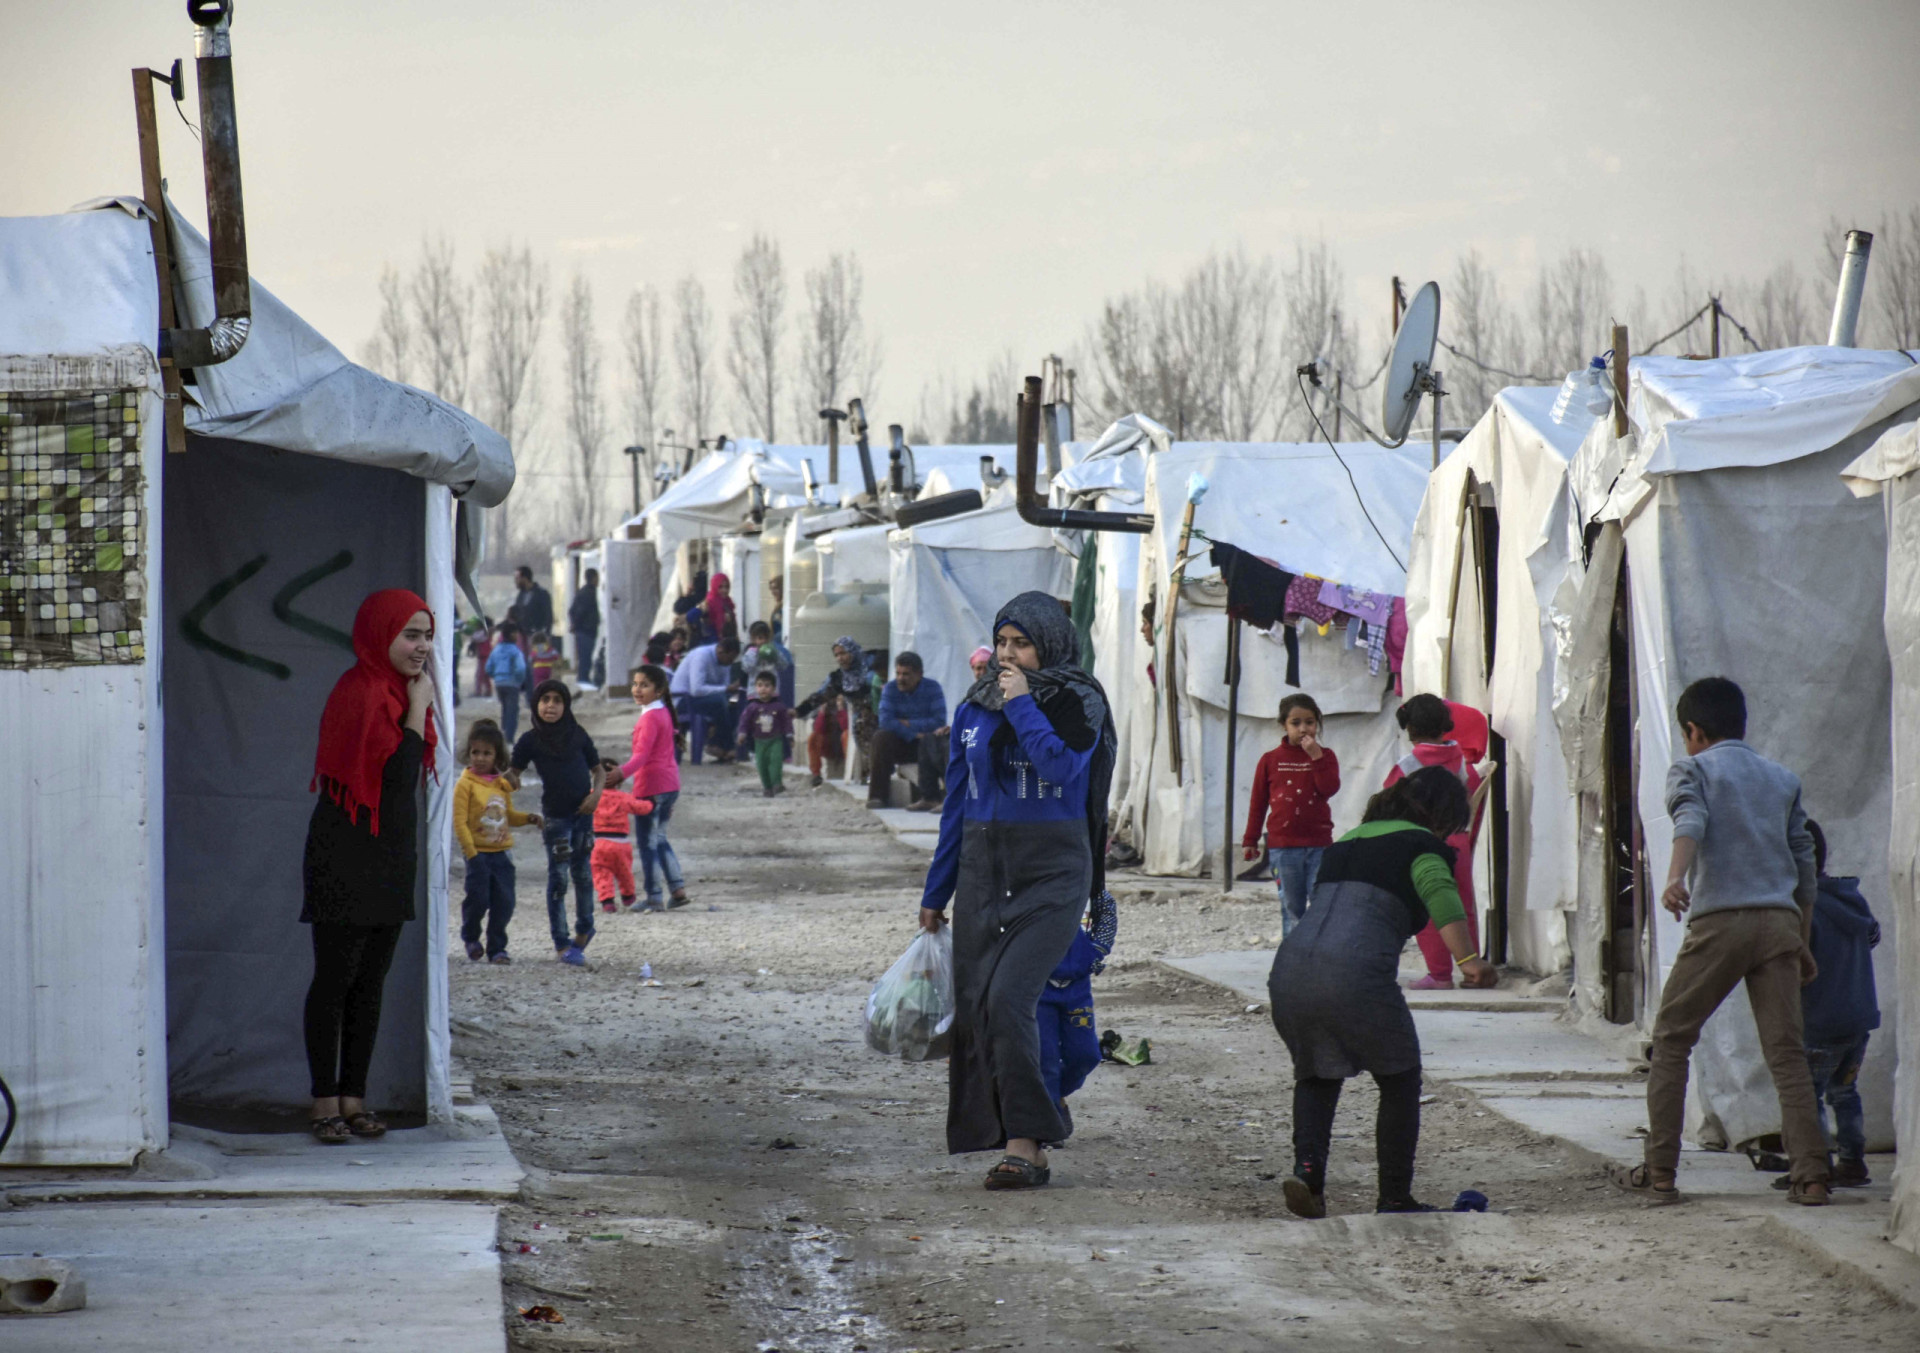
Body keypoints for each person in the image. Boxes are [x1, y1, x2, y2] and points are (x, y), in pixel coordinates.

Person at [919, 592, 1118, 1190]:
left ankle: (1026, 1143)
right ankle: (1034, 1121)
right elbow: (957, 803)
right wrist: (938, 889)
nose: (1007, 656)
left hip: (1054, 872)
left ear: (1049, 644)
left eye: (1021, 644)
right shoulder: (973, 709)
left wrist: (1025, 704)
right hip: (983, 871)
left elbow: (1059, 768)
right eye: (1001, 643)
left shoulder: (1079, 701)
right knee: (981, 1011)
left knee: (1011, 999)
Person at [1612, 677, 1829, 1206]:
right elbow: (1804, 865)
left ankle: (1660, 1171)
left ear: (1694, 731)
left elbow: (1691, 817)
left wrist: (1674, 876)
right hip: (1778, 923)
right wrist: (1801, 940)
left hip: (1721, 922)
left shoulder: (1693, 768)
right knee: (1787, 1055)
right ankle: (1812, 1176)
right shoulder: (1782, 779)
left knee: (1672, 1039)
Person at [1268, 768, 1498, 1218]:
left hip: (1289, 970)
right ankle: (1394, 1196)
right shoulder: (1422, 845)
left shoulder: (1347, 842)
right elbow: (1440, 894)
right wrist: (1469, 962)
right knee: (1399, 1076)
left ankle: (1308, 1175)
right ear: (1442, 813)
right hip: (1354, 974)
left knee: (1316, 1072)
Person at [301, 590, 438, 1145]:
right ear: (380, 635)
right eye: (410, 634)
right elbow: (394, 778)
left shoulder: (398, 691)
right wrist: (419, 709)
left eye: (427, 634)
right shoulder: (361, 692)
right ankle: (323, 1102)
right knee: (335, 980)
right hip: (344, 854)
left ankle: (355, 1098)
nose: (421, 646)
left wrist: (414, 705)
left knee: (371, 983)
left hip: (390, 855)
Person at [1767, 819, 1879, 1190]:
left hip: (1818, 1022)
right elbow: (1872, 936)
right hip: (1858, 1018)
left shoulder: (1802, 908)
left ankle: (1813, 1165)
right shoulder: (1852, 898)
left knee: (1806, 1094)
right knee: (1845, 1092)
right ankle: (1852, 1161)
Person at [1384, 694, 1484, 990]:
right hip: (1458, 840)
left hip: (1424, 845)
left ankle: (1440, 975)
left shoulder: (1407, 765)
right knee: (1464, 905)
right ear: (1446, 725)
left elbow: (1389, 805)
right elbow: (1472, 797)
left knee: (1428, 906)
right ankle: (1473, 970)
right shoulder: (1460, 760)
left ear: (1410, 729)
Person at [510, 679, 605, 966]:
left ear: (566, 705)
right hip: (556, 819)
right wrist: (494, 780)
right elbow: (513, 774)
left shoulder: (578, 734)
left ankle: (584, 930)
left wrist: (596, 795)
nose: (550, 706)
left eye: (557, 700)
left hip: (583, 816)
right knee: (559, 879)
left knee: (584, 875)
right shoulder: (529, 740)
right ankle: (562, 943)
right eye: (545, 699)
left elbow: (598, 771)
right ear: (536, 704)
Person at [1242, 693, 1341, 938]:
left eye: (1309, 722)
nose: (1303, 729)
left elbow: (1329, 789)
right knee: (1291, 906)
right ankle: (1293, 961)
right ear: (1283, 725)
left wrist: (1316, 757)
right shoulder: (1271, 760)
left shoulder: (1325, 756)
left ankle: (1319, 957)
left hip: (1319, 845)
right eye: (1295, 723)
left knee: (1321, 904)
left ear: (1317, 724)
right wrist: (1250, 840)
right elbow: (1258, 803)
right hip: (1284, 847)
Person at [454, 719, 540, 964]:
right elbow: (460, 823)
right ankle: (471, 937)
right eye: (475, 752)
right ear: (468, 753)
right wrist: (471, 853)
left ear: (497, 756)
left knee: (504, 903)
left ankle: (497, 948)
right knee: (477, 900)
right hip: (478, 854)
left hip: (502, 854)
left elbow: (508, 816)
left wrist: (530, 818)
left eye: (487, 753)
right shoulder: (465, 785)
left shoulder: (501, 786)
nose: (480, 758)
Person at [1038, 890, 1118, 1135]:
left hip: (1077, 989)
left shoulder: (1095, 894)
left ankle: (1058, 1095)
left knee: (1086, 1055)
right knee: (1045, 1058)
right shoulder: (1035, 889)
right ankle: (1050, 1122)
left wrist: (1095, 952)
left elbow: (1106, 918)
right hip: (1039, 988)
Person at [621, 664, 689, 909]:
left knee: (648, 843)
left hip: (652, 787)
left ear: (658, 690)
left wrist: (618, 774)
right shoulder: (661, 712)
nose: (637, 689)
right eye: (635, 684)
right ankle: (677, 889)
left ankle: (654, 897)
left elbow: (640, 757)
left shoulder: (650, 717)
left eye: (644, 685)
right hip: (669, 785)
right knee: (659, 839)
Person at [869, 651, 950, 811]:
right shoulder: (891, 689)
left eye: (906, 674)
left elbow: (938, 721)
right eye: (898, 673)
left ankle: (940, 797)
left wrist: (907, 723)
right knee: (881, 738)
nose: (901, 678)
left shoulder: (932, 688)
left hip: (927, 743)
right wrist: (912, 733)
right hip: (904, 743)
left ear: (919, 674)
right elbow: (885, 721)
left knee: (942, 740)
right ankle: (878, 796)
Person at [796, 636, 877, 787]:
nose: (840, 658)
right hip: (846, 727)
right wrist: (800, 711)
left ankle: (873, 771)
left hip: (873, 715)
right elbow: (820, 697)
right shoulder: (837, 678)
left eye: (843, 653)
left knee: (861, 726)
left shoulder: (871, 672)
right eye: (836, 655)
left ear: (853, 652)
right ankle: (816, 775)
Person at [590, 760, 654, 914]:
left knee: (600, 872)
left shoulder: (591, 796)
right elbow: (641, 808)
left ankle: (607, 901)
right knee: (624, 872)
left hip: (598, 843)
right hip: (620, 843)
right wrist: (651, 803)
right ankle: (628, 896)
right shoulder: (622, 797)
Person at [670, 634, 744, 763]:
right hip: (683, 700)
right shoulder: (701, 656)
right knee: (720, 702)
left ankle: (719, 746)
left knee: (733, 705)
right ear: (721, 652)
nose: (730, 663)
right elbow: (696, 689)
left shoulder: (725, 663)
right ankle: (725, 746)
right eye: (730, 659)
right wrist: (726, 689)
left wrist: (729, 690)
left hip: (707, 700)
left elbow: (724, 687)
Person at [737, 671, 795, 797]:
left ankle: (777, 783)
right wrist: (742, 734)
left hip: (775, 740)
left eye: (767, 685)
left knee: (776, 762)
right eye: (760, 685)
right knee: (761, 764)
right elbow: (745, 721)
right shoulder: (752, 707)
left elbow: (786, 722)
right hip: (759, 741)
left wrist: (789, 736)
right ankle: (767, 787)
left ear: (773, 688)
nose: (763, 689)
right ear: (755, 687)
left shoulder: (779, 706)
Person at [485, 624, 529, 742]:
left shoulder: (496, 650)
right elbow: (521, 668)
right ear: (512, 635)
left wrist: (497, 677)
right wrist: (519, 680)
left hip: (499, 684)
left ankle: (503, 733)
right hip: (512, 684)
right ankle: (509, 738)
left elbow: (488, 667)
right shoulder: (515, 651)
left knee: (504, 709)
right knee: (512, 711)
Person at [569, 568, 601, 682]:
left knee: (584, 657)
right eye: (597, 577)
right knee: (585, 657)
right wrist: (575, 624)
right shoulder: (589, 593)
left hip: (583, 630)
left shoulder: (582, 591)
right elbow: (580, 611)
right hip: (586, 630)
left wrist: (574, 624)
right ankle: (583, 679)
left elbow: (572, 610)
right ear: (593, 578)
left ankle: (583, 678)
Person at [509, 565, 554, 643]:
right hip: (523, 636)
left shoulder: (541, 594)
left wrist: (545, 633)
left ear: (525, 578)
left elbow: (548, 615)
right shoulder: (521, 595)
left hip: (537, 636)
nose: (515, 581)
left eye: (517, 578)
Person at [743, 619, 792, 684]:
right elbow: (747, 668)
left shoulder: (774, 650)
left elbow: (784, 666)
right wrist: (757, 654)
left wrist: (775, 655)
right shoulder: (750, 653)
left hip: (772, 689)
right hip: (755, 690)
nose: (762, 641)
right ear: (752, 639)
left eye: (764, 638)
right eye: (758, 638)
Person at [704, 570, 737, 640]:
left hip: (728, 641)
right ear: (714, 586)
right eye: (720, 587)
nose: (724, 590)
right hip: (713, 642)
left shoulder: (728, 602)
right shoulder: (710, 602)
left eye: (727, 587)